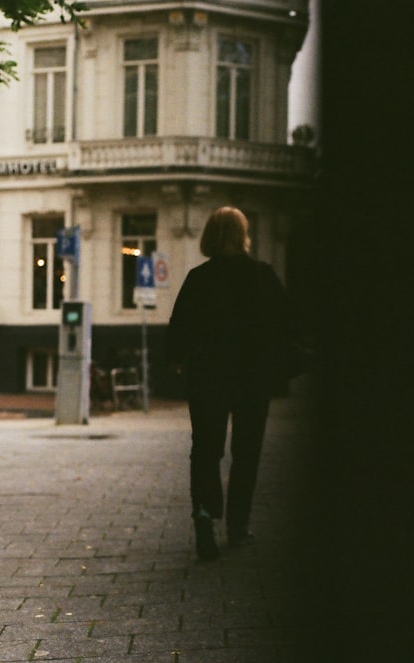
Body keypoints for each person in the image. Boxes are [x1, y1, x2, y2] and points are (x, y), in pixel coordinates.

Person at [166, 206, 296, 560]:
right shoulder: (262, 276)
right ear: (243, 237)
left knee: (206, 449)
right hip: (251, 378)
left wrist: (177, 364)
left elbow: (177, 330)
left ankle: (205, 515)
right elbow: (285, 328)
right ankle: (238, 527)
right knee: (246, 452)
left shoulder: (199, 278)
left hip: (207, 377)